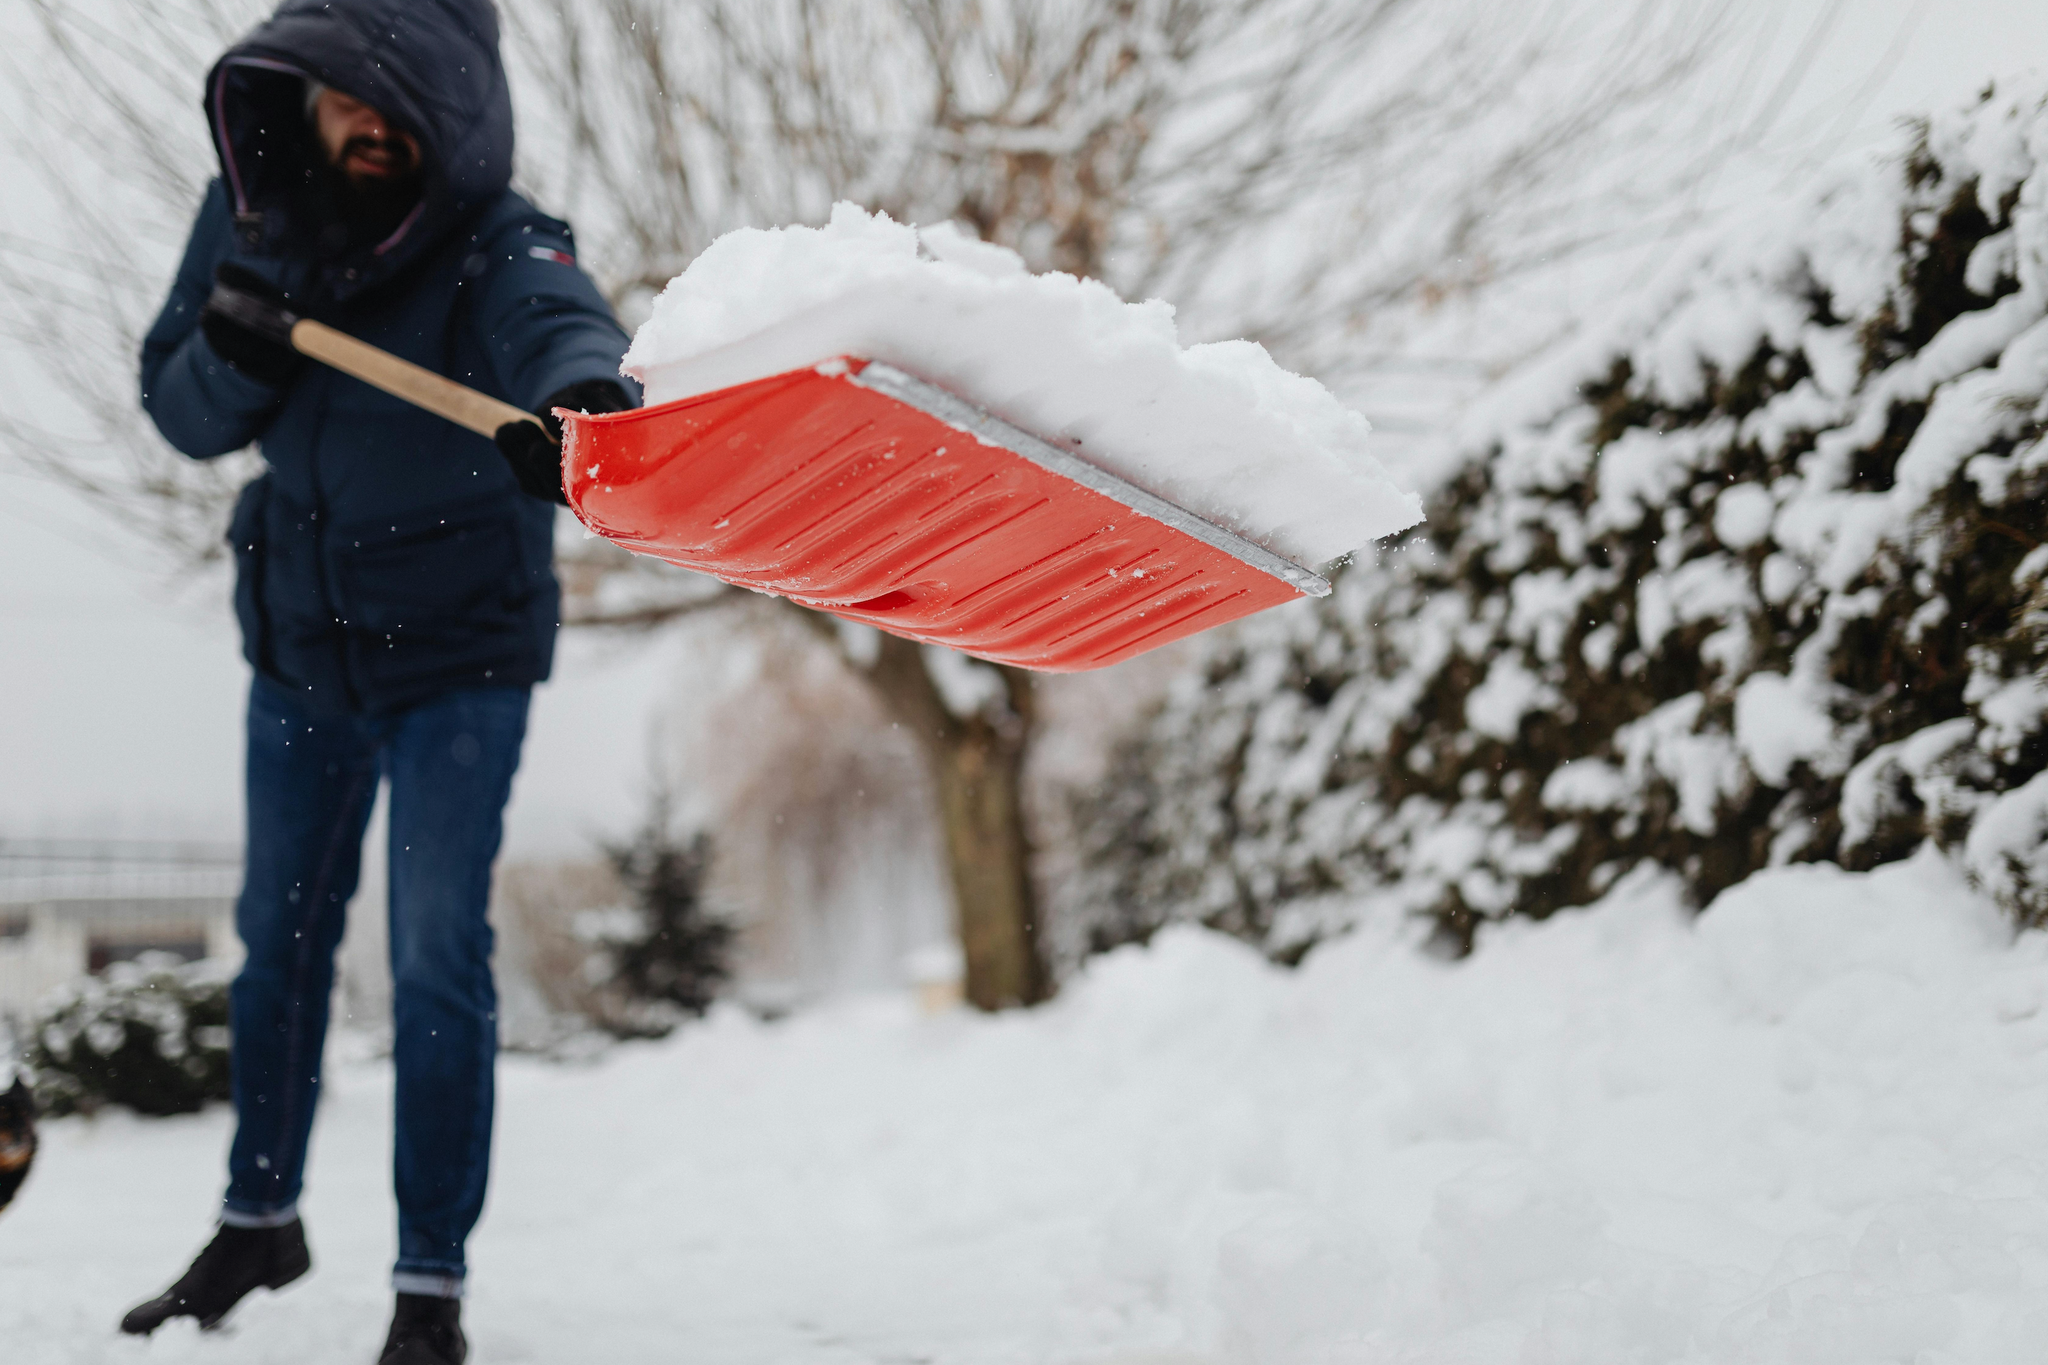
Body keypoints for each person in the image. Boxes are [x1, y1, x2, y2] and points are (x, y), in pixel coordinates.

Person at [119, 2, 636, 1360]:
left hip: (459, 656)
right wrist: (229, 352)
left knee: (430, 956)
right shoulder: (252, 219)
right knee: (275, 947)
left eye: (393, 102)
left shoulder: (496, 233)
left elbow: (559, 319)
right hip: (301, 644)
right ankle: (259, 1219)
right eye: (340, 96)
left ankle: (429, 1290)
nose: (363, 125)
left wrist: (582, 404)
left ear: (451, 106)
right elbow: (175, 410)